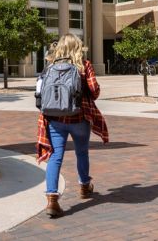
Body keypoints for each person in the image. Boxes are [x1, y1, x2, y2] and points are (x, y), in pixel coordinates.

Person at [36, 33, 109, 218]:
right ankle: (84, 186)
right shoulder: (84, 66)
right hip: (79, 117)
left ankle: (52, 199)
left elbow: (39, 93)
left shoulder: (50, 66)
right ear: (77, 47)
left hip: (55, 119)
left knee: (55, 157)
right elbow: (95, 91)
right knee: (81, 152)